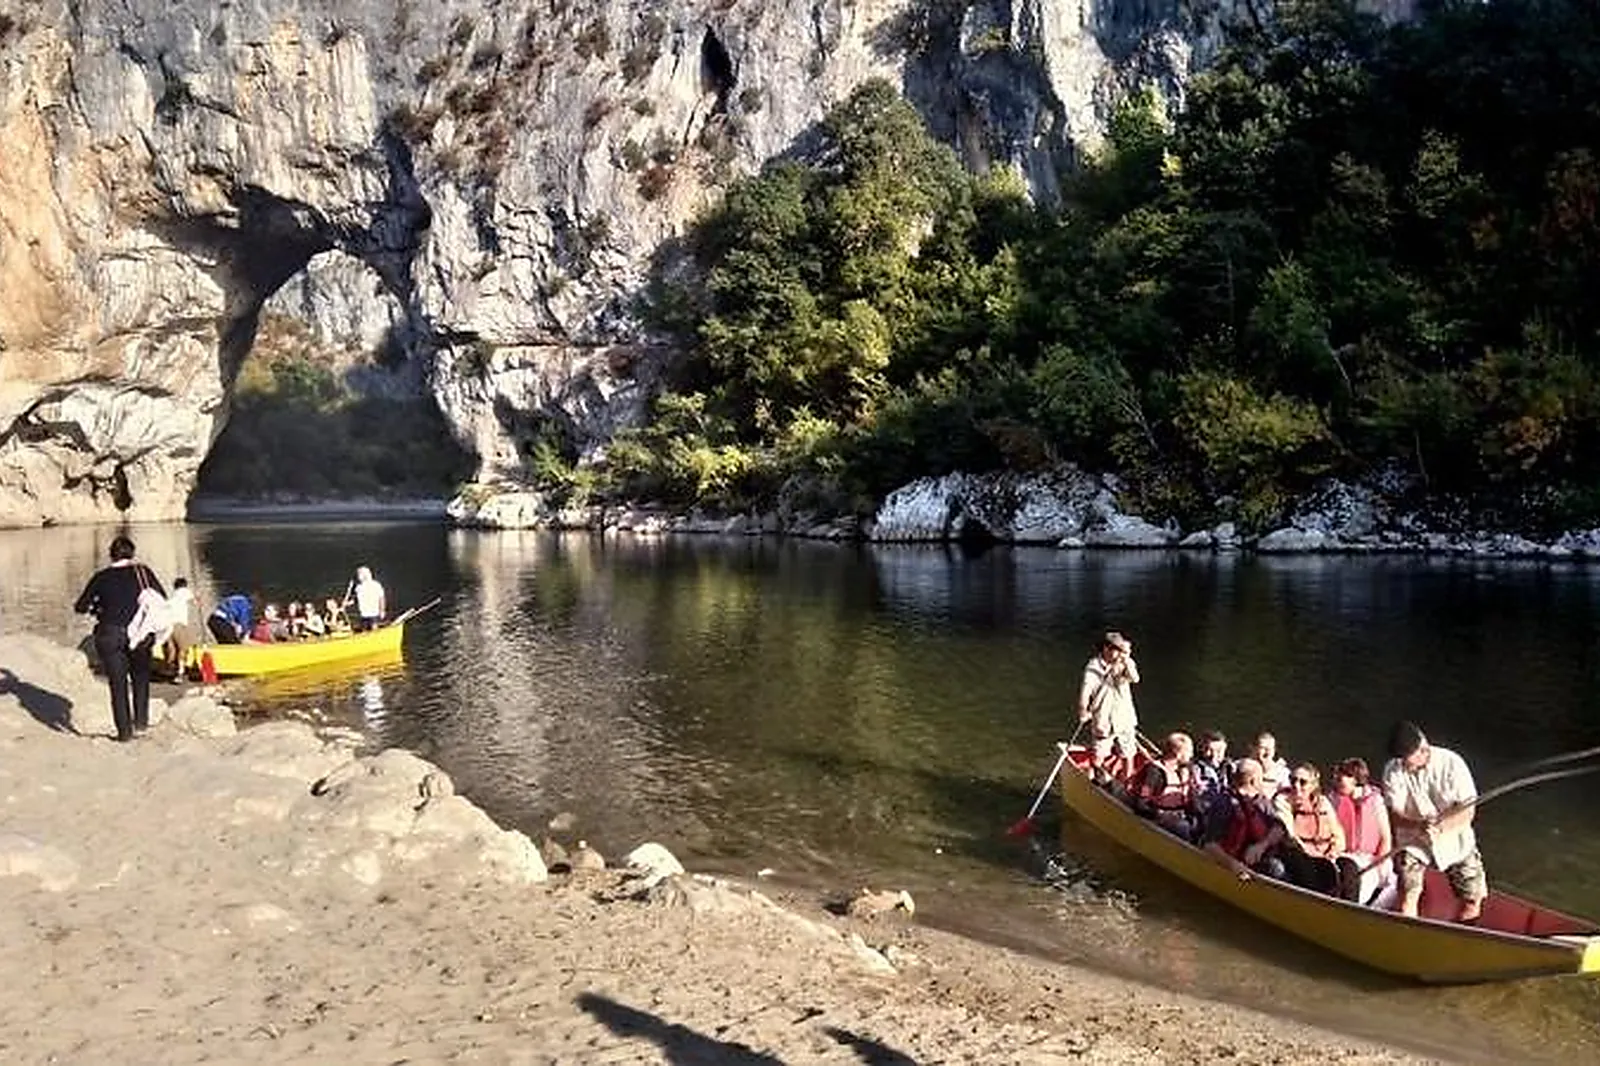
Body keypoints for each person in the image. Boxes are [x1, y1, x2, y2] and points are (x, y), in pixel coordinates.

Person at [1383, 721, 1488, 922]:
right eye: (1401, 759)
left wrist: (1442, 827)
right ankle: (1408, 937)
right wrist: (1418, 824)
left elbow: (1468, 812)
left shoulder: (1452, 764)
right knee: (1408, 894)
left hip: (1455, 841)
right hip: (1413, 841)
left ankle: (1463, 934)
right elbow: (1394, 815)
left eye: (1407, 759)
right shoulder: (1393, 769)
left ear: (1423, 749)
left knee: (1472, 899)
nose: (1404, 765)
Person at [73, 535, 166, 742]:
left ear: (111, 555)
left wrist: (97, 607)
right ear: (132, 553)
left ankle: (125, 733)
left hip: (110, 633)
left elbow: (80, 606)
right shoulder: (143, 572)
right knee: (141, 677)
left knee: (118, 683)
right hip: (140, 633)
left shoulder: (101, 577)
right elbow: (161, 598)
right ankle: (141, 724)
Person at [1330, 757, 1399, 909]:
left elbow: (1386, 837)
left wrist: (1379, 862)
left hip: (1372, 858)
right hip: (1346, 855)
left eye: (1342, 778)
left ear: (1355, 779)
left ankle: (1366, 910)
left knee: (1390, 884)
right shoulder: (1335, 799)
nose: (1337, 781)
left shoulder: (1375, 801)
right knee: (1347, 872)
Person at [1202, 758, 1288, 881]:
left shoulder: (1261, 801)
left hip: (1262, 854)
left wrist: (1262, 845)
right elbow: (1210, 846)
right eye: (1261, 778)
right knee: (1275, 868)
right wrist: (1234, 865)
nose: (1262, 782)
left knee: (1294, 858)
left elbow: (1279, 827)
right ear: (1254, 780)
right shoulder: (1224, 804)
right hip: (1237, 862)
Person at [1077, 631, 1140, 783]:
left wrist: (1125, 661)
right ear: (1106, 648)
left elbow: (1135, 678)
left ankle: (1126, 786)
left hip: (1125, 718)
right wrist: (1083, 711)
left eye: (1120, 650)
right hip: (1103, 719)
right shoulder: (1093, 667)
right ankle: (1097, 782)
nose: (1119, 653)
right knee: (1098, 755)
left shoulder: (1126, 662)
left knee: (1128, 754)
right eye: (1116, 650)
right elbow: (1085, 692)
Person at [1272, 763, 1344, 895]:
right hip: (1297, 852)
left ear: (1313, 785)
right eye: (1293, 780)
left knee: (1349, 865)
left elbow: (1338, 834)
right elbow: (1290, 834)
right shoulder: (1283, 800)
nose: (1296, 785)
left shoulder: (1323, 802)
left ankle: (1348, 907)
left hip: (1324, 853)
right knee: (1308, 865)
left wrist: (1333, 852)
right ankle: (1315, 902)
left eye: (1302, 782)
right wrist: (1313, 854)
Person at [1130, 732, 1201, 841]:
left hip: (1180, 815)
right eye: (1189, 752)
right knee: (1183, 828)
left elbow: (1192, 802)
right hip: (1156, 817)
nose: (1191, 755)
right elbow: (1140, 804)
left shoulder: (1186, 770)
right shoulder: (1154, 772)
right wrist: (1159, 814)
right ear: (1177, 754)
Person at [163, 577, 197, 680]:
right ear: (184, 585)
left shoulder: (172, 597)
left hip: (167, 625)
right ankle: (180, 673)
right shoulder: (184, 591)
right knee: (183, 649)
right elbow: (194, 601)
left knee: (172, 650)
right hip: (178, 624)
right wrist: (197, 598)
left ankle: (170, 669)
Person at [1192, 730, 1234, 813]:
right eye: (1209, 750)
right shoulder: (1196, 768)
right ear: (1202, 749)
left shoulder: (1231, 767)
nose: (1214, 755)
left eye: (1219, 751)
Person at [349, 566, 387, 632]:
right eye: (358, 574)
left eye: (359, 574)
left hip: (374, 614)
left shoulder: (376, 585)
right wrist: (347, 603)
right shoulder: (358, 587)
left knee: (374, 630)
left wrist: (382, 610)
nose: (358, 576)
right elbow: (356, 600)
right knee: (364, 631)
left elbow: (381, 598)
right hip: (363, 614)